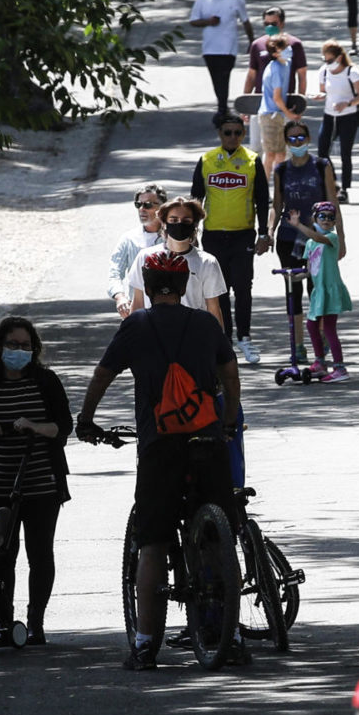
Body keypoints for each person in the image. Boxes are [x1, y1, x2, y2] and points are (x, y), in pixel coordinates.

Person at [75, 252, 244, 670]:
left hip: (160, 445)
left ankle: (145, 644)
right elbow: (230, 374)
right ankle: (231, 635)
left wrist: (86, 419)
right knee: (219, 538)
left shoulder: (136, 325)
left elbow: (102, 375)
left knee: (152, 544)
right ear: (185, 285)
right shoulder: (206, 324)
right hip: (207, 438)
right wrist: (228, 419)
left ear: (148, 288)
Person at [0, 317, 73, 645]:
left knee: (40, 554)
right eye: (13, 344)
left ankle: (35, 622)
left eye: (26, 346)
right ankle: (3, 622)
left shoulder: (45, 382)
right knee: (1, 555)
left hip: (42, 484)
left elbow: (63, 426)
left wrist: (35, 427)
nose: (19, 351)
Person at [190, 113, 276, 363]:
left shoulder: (252, 160)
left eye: (238, 133)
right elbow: (196, 198)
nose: (233, 137)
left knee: (243, 287)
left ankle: (245, 338)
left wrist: (264, 233)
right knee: (219, 289)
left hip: (243, 235)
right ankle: (224, 340)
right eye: (228, 133)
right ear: (220, 134)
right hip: (214, 235)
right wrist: (192, 232)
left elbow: (262, 199)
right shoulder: (207, 160)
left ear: (243, 134)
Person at [272, 121, 342, 363]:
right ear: (286, 142)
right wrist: (268, 232)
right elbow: (277, 204)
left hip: (317, 240)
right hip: (288, 238)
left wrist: (340, 238)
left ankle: (320, 340)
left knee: (317, 289)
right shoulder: (281, 169)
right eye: (291, 139)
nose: (297, 142)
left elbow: (333, 202)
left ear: (308, 138)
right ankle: (298, 344)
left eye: (300, 137)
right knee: (293, 291)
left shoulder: (321, 166)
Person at [300, 197, 353, 379]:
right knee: (311, 325)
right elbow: (309, 269)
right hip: (319, 291)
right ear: (315, 218)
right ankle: (320, 362)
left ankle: (339, 367)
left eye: (331, 217)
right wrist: (294, 277)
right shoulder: (310, 244)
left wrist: (298, 225)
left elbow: (318, 237)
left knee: (329, 328)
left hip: (330, 290)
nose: (327, 220)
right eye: (322, 216)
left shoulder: (331, 238)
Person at [187, 0, 249, 112]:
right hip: (209, 49)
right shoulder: (202, 0)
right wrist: (208, 21)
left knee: (224, 76)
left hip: (229, 48)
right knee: (216, 79)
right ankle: (222, 106)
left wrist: (252, 41)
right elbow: (193, 21)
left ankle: (222, 108)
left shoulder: (236, 0)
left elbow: (245, 21)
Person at [106, 186, 170, 316]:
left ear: (162, 208)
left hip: (170, 310)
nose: (142, 209)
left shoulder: (174, 238)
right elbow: (115, 272)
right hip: (139, 311)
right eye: (138, 204)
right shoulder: (129, 239)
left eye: (148, 205)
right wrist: (120, 297)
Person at [315, 40, 359, 190]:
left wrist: (347, 104)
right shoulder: (324, 71)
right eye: (324, 60)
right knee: (322, 151)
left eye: (330, 60)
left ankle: (345, 188)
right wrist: (320, 96)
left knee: (345, 153)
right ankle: (333, 183)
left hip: (348, 116)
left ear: (339, 58)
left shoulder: (352, 72)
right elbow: (324, 91)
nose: (327, 63)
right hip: (329, 115)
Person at [255, 36, 295, 173]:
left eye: (286, 46)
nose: (287, 50)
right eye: (282, 48)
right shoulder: (276, 69)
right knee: (271, 154)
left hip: (278, 114)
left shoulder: (286, 64)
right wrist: (289, 114)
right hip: (270, 115)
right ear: (275, 54)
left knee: (280, 154)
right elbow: (276, 97)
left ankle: (277, 183)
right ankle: (265, 184)